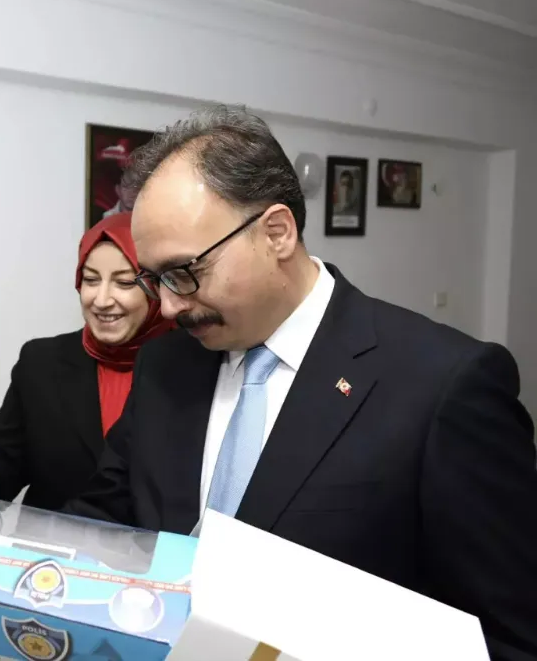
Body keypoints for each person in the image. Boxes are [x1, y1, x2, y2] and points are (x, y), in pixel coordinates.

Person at [62, 104, 537, 661]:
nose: (166, 306)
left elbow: (507, 636)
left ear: (277, 233)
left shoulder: (443, 385)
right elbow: (107, 519)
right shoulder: (166, 365)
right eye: (154, 278)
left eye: (184, 273)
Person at [0, 212, 172, 510]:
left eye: (124, 282)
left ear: (156, 288)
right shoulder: (40, 364)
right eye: (91, 280)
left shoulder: (193, 366)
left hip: (154, 542)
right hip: (53, 539)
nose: (102, 300)